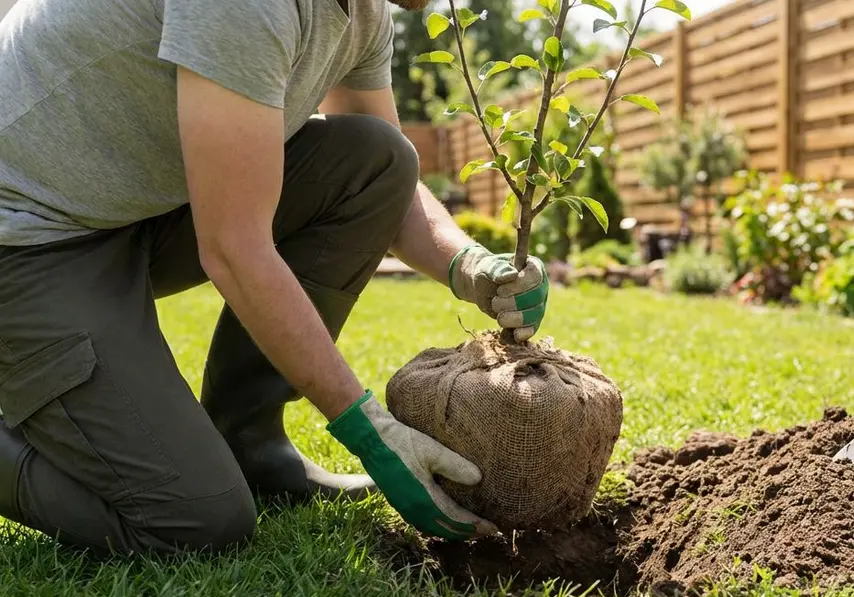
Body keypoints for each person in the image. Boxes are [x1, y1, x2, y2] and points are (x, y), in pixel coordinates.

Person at [0, 0, 547, 555]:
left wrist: (471, 263)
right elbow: (235, 249)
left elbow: (391, 184)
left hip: (126, 212)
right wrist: (368, 428)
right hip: (22, 238)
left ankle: (248, 442)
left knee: (375, 160)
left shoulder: (365, 11)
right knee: (194, 522)